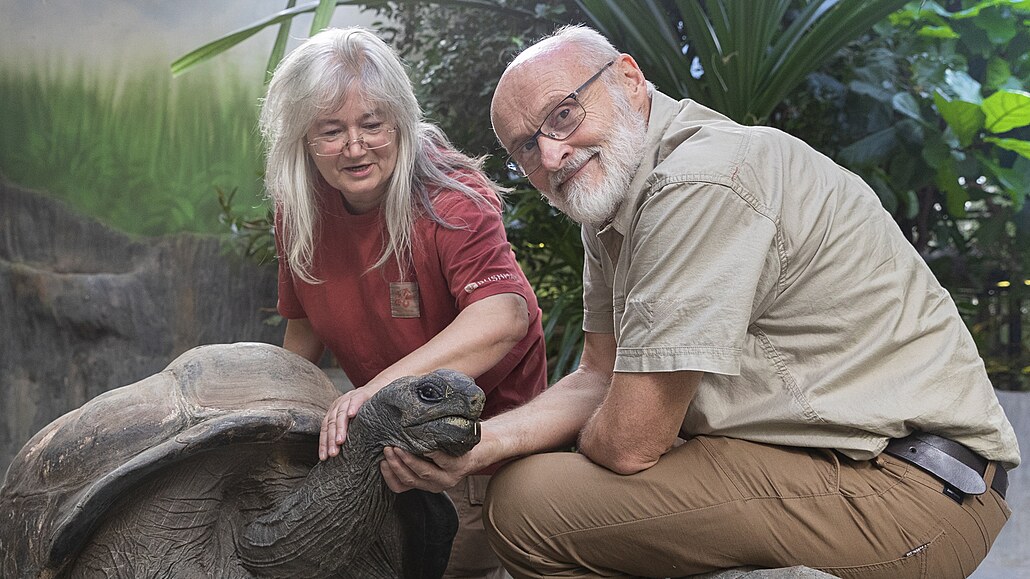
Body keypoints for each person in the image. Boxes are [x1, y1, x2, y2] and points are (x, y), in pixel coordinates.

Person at [379, 24, 1021, 578]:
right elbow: (598, 377)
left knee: (529, 505)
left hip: (912, 492)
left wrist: (571, 444)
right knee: (534, 475)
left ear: (628, 79)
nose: (551, 153)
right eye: (525, 147)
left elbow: (629, 441)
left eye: (564, 115)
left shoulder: (697, 181)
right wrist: (478, 446)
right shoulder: (609, 210)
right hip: (822, 462)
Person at [260, 27, 547, 578]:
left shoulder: (451, 196)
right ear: (302, 137)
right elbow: (303, 338)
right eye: (330, 130)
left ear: (400, 121)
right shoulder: (299, 207)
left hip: (478, 444)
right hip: (381, 440)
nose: (354, 147)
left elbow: (503, 317)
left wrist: (370, 393)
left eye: (372, 125)